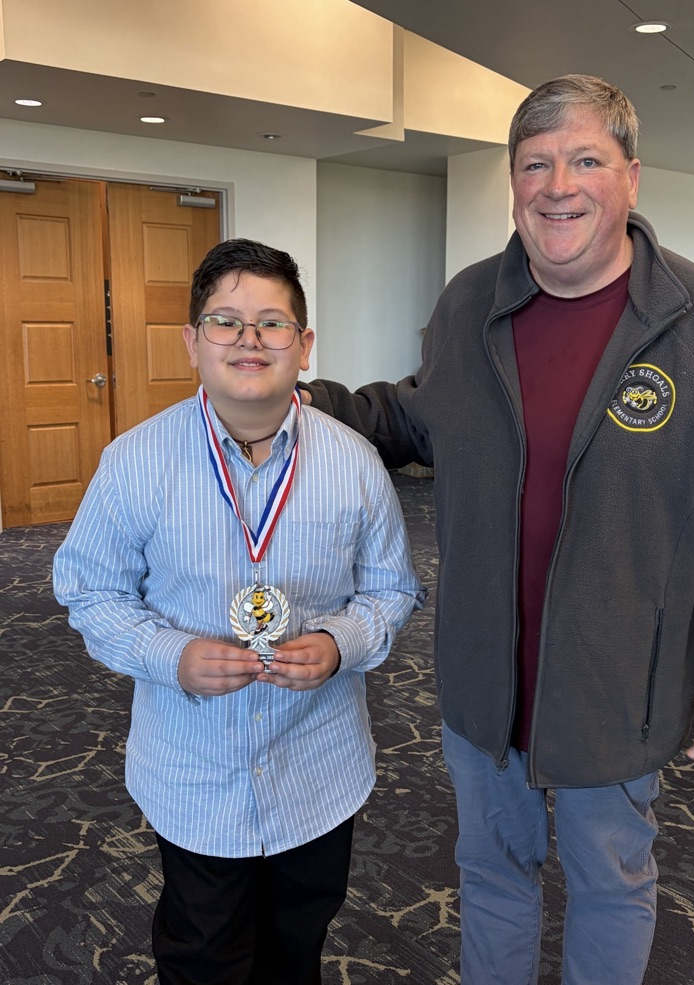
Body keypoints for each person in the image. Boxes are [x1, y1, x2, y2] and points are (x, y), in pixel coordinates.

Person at [301, 75, 694, 984]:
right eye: (535, 163)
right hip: (484, 677)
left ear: (631, 176)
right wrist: (312, 403)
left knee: (611, 881)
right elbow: (427, 416)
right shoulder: (470, 301)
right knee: (492, 872)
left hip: (617, 688)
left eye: (585, 159)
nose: (558, 185)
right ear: (512, 183)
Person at [53, 238, 424, 985]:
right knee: (202, 946)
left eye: (272, 323)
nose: (249, 340)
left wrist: (340, 640)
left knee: (298, 942)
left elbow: (392, 589)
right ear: (193, 342)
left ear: (305, 344)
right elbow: (88, 589)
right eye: (225, 321)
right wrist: (170, 655)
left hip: (316, 764)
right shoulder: (135, 460)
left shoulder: (354, 462)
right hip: (195, 768)